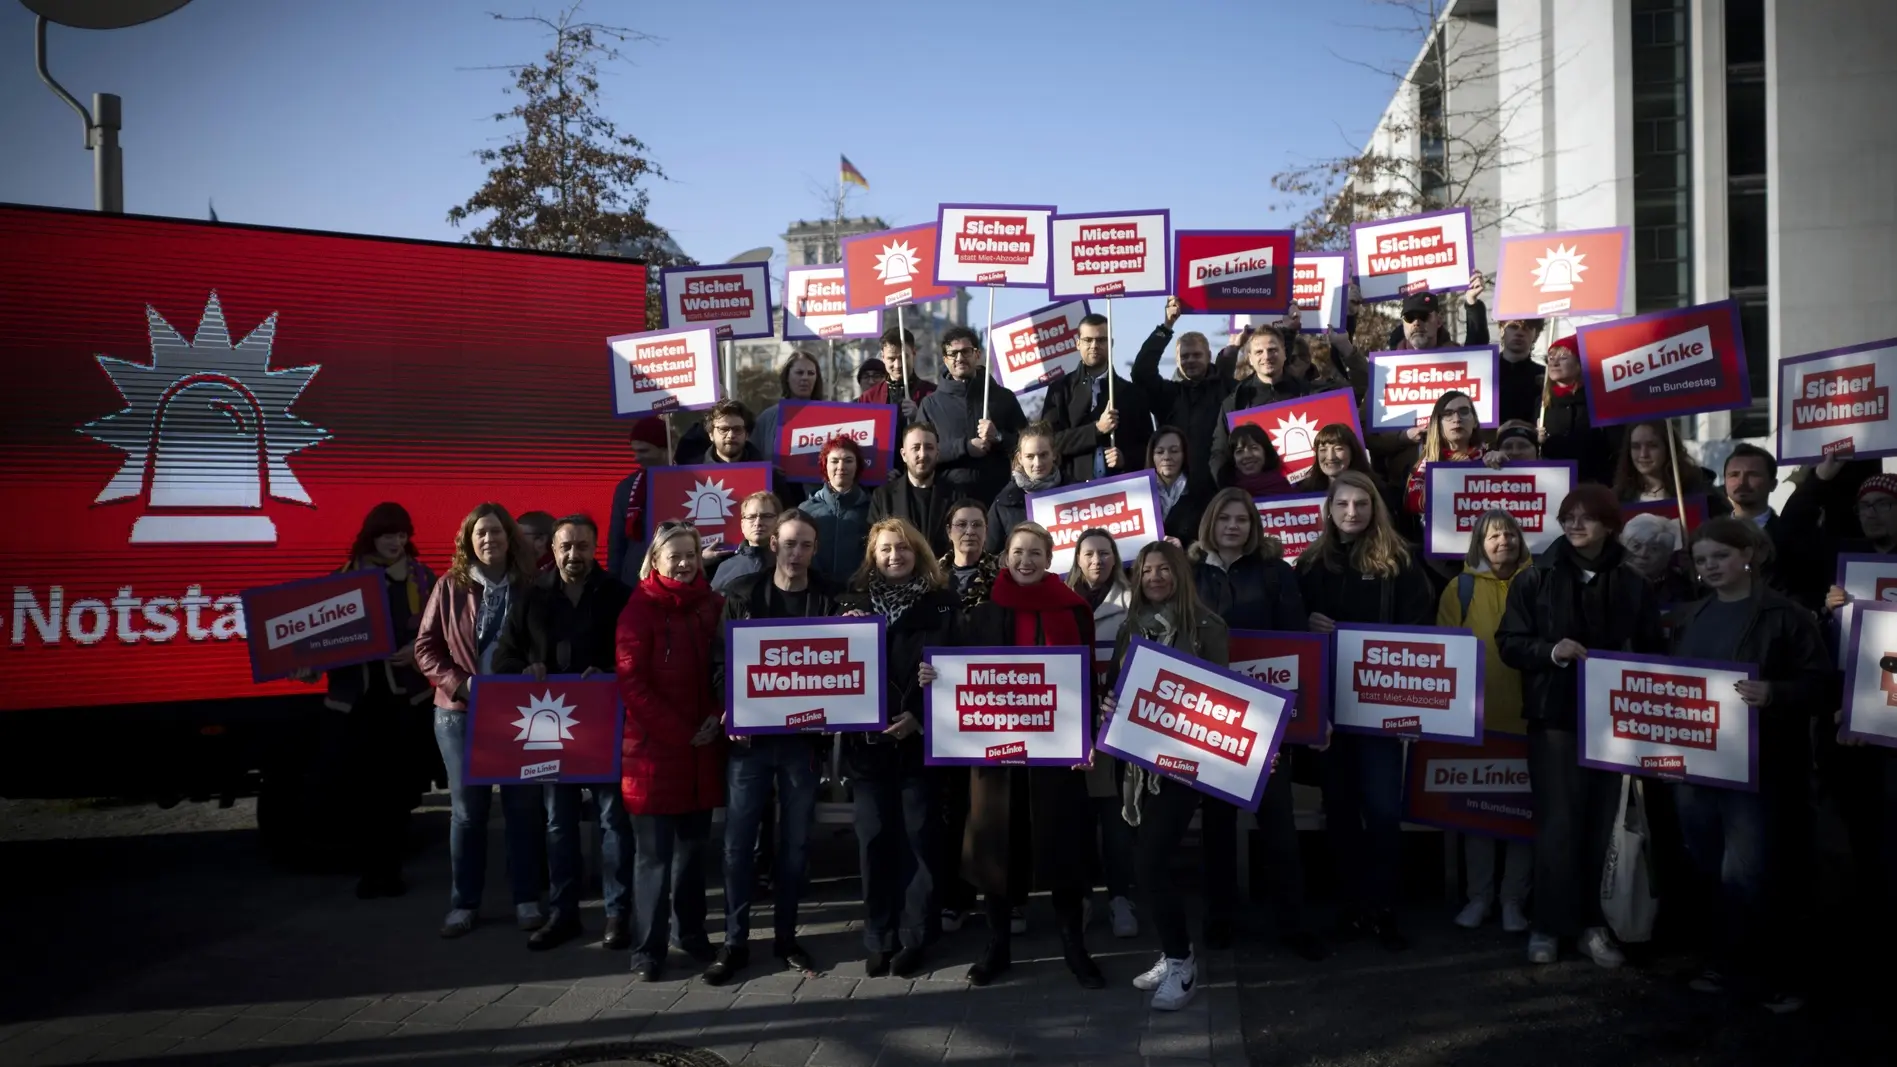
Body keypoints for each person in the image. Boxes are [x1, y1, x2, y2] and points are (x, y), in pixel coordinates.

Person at [923, 522, 1103, 988]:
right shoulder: (984, 612)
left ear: (1049, 559)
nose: (1026, 561)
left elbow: (1086, 678)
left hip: (1056, 751)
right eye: (1018, 552)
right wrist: (934, 677)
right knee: (995, 850)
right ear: (1006, 559)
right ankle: (997, 945)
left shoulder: (1074, 609)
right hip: (995, 753)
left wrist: (1087, 738)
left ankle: (1074, 946)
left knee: (1063, 847)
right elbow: (960, 673)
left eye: (1035, 553)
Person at [1496, 484, 1665, 967]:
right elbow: (1509, 642)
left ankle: (1595, 925)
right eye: (1567, 516)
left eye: (1585, 517)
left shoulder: (1633, 583)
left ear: (1609, 525)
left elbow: (1653, 650)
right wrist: (1551, 651)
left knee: (1602, 825)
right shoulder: (1535, 577)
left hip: (1615, 721)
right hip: (1555, 717)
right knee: (1558, 824)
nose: (1573, 525)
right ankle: (1548, 925)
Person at [1670, 517, 1829, 1014]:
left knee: (1756, 873)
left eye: (1720, 555)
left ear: (1750, 555)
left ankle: (1777, 977)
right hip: (1699, 766)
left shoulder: (1787, 615)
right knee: (1710, 868)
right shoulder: (1692, 615)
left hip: (1763, 768)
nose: (1711, 566)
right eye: (1701, 559)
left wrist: (1776, 693)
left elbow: (1823, 687)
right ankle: (1725, 965)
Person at [1297, 471, 1435, 950]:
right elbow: (1288, 629)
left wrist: (1411, 707)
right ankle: (1350, 907)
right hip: (1329, 710)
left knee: (1381, 811)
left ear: (1375, 506)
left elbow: (1421, 634)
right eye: (1342, 504)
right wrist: (1305, 623)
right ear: (1329, 510)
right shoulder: (1311, 563)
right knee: (1338, 810)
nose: (1351, 512)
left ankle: (1382, 908)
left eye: (1360, 503)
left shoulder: (1401, 561)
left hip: (1381, 711)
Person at [702, 510, 838, 984]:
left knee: (795, 845)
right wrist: (731, 706)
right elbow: (720, 662)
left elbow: (846, 662)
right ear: (773, 544)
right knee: (737, 845)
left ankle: (786, 938)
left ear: (815, 549)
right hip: (752, 743)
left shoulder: (830, 599)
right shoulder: (742, 594)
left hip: (803, 743)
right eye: (789, 543)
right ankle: (734, 942)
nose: (796, 553)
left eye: (805, 544)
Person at [489, 514, 635, 951]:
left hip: (603, 723)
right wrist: (524, 668)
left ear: (596, 548)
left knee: (613, 821)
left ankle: (618, 913)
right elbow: (502, 658)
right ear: (552, 549)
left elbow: (638, 656)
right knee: (558, 823)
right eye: (566, 546)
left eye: (583, 546)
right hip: (549, 728)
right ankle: (564, 913)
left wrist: (609, 671)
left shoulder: (618, 595)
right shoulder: (531, 595)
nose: (574, 554)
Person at [1189, 487, 1321, 959]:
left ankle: (1294, 924)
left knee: (1278, 823)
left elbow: (1297, 646)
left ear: (1253, 526)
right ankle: (1220, 918)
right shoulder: (1190, 573)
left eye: (1241, 519)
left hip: (1266, 721)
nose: (1232, 526)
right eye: (1224, 518)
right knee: (1218, 825)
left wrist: (1306, 719)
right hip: (1209, 718)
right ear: (1211, 522)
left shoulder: (1275, 572)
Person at [1105, 540, 1232, 1011]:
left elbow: (1223, 701)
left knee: (1150, 861)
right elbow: (1116, 687)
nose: (1155, 577)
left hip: (1182, 766)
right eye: (1146, 571)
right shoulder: (1130, 626)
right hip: (1136, 765)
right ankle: (1172, 949)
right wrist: (1111, 702)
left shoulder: (1207, 627)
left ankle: (1182, 963)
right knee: (1146, 858)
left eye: (1164, 569)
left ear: (1180, 573)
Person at [415, 503, 546, 939]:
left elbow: (543, 642)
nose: (490, 539)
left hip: (516, 713)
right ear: (468, 542)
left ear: (510, 538)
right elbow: (426, 648)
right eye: (481, 533)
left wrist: (537, 665)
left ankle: (526, 898)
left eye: (496, 531)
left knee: (522, 809)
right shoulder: (449, 586)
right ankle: (464, 904)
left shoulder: (529, 586)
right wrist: (460, 684)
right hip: (460, 714)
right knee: (469, 814)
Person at [838, 518, 959, 977]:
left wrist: (920, 718)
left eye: (904, 548)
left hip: (918, 743)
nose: (895, 556)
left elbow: (959, 672)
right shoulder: (850, 605)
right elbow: (829, 671)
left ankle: (916, 936)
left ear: (919, 553)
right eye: (886, 549)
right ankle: (879, 936)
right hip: (867, 748)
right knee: (873, 841)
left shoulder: (943, 605)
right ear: (873, 556)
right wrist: (838, 633)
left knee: (919, 841)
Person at [301, 502, 436, 900]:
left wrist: (417, 651)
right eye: (388, 535)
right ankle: (371, 870)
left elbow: (445, 631)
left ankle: (388, 871)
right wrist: (306, 664)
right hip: (354, 705)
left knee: (396, 792)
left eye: (402, 535)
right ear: (371, 537)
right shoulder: (340, 581)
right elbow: (318, 642)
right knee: (358, 791)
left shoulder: (423, 579)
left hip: (403, 703)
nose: (396, 542)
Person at [615, 521, 726, 981]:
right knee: (653, 859)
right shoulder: (637, 610)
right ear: (656, 560)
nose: (683, 563)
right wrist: (683, 733)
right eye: (674, 556)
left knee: (693, 854)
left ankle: (692, 933)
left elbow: (729, 668)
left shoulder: (714, 606)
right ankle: (648, 948)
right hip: (654, 754)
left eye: (690, 555)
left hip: (701, 750)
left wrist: (717, 716)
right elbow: (633, 686)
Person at [1438, 509, 1535, 934]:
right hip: (1476, 720)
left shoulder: (1539, 582)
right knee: (1477, 815)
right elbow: (1444, 654)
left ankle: (1514, 900)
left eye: (1510, 534)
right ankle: (1479, 897)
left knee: (1522, 816)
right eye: (1493, 535)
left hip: (1529, 717)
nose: (1503, 542)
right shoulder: (1458, 589)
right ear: (1479, 543)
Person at [1067, 530, 1139, 939]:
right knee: (1074, 819)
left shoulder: (1133, 603)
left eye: (1105, 553)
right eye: (1089, 554)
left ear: (1116, 558)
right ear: (1077, 559)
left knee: (1116, 818)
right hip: (1069, 727)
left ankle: (1119, 897)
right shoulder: (1060, 600)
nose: (1097, 561)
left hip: (1116, 728)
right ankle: (1079, 897)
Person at [934, 499, 997, 933]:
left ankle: (999, 897)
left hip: (993, 704)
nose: (969, 532)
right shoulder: (930, 577)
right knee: (952, 806)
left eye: (977, 524)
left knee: (991, 808)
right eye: (962, 524)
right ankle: (955, 898)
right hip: (942, 707)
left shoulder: (1003, 577)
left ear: (987, 532)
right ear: (949, 531)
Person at [1365, 287, 1493, 486]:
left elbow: (1484, 417)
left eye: (1424, 317)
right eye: (1410, 318)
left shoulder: (1462, 360)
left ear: (1439, 321)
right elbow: (1367, 434)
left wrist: (1472, 305)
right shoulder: (1385, 370)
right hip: (1402, 483)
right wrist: (1403, 437)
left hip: (1458, 478)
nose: (1417, 323)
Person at [1132, 296, 1236, 486]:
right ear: (1177, 360)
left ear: (1208, 356)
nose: (1190, 360)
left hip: (1220, 487)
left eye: (1196, 355)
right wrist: (1166, 326)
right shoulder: (1167, 394)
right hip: (1178, 490)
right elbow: (1141, 372)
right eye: (1185, 356)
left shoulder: (1228, 389)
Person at [918, 326, 1028, 501]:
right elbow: (921, 454)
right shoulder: (930, 405)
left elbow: (1027, 445)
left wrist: (998, 437)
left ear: (977, 354)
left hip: (999, 499)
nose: (960, 358)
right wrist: (965, 447)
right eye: (953, 354)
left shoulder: (1003, 397)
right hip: (949, 499)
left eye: (966, 351)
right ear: (945, 360)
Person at [1043, 312, 1153, 484]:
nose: (1094, 345)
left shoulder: (1132, 393)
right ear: (1078, 343)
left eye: (1101, 340)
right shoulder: (1059, 390)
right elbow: (1049, 443)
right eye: (1088, 340)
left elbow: (1150, 447)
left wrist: (1126, 458)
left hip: (1121, 489)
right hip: (1070, 489)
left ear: (1111, 343)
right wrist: (1096, 429)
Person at [1721, 443, 1821, 608]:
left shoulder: (1793, 535)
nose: (1742, 482)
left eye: (1753, 475)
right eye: (1734, 475)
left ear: (1773, 484)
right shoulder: (1708, 534)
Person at [1209, 326, 1308, 483]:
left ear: (1284, 353)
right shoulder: (1236, 401)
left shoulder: (1308, 393)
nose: (1266, 356)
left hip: (1305, 490)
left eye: (1272, 350)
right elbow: (1220, 453)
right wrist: (1230, 489)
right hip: (1253, 493)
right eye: (1259, 352)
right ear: (1250, 358)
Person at [1403, 390, 1501, 519]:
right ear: (1438, 424)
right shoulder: (1426, 464)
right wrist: (1448, 476)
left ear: (1475, 422)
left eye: (1464, 411)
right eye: (1448, 414)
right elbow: (1414, 504)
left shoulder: (1490, 457)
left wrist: (1504, 466)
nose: (1457, 419)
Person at [1536, 337, 1617, 487]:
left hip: (1594, 483)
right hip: (1553, 483)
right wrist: (1535, 440)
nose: (1554, 363)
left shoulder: (1598, 399)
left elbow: (1615, 444)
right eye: (1551, 358)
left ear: (1580, 363)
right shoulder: (1542, 403)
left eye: (1563, 358)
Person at [870, 422, 955, 557]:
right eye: (916, 448)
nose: (923, 454)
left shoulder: (956, 495)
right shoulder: (883, 496)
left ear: (937, 454)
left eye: (929, 447)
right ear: (903, 454)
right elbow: (874, 546)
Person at [608, 417, 671, 587]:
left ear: (664, 449)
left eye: (644, 451)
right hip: (635, 581)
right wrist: (614, 584)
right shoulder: (627, 487)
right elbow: (617, 542)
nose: (636, 458)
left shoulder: (690, 481)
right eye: (634, 451)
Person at [800, 436, 874, 581]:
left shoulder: (872, 508)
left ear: (857, 466)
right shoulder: (806, 510)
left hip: (857, 588)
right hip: (815, 588)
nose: (841, 467)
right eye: (834, 461)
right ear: (825, 465)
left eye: (848, 461)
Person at [985, 421, 1064, 555]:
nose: (1037, 463)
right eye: (1030, 456)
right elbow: (990, 553)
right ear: (1020, 458)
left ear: (1054, 454)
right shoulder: (1004, 503)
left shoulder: (1077, 492)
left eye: (1043, 455)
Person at [1613, 421, 1721, 512]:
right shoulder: (1617, 499)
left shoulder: (1699, 491)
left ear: (1668, 448)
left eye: (1652, 446)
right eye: (1636, 447)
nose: (1643, 454)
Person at [1620, 513, 1696, 630]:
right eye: (1636, 546)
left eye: (1654, 549)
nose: (1643, 554)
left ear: (1667, 554)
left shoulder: (1684, 591)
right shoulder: (1606, 585)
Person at [752, 350, 826, 466]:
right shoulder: (767, 418)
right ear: (787, 376)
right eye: (799, 373)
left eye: (811, 373)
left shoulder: (829, 416)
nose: (805, 378)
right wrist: (769, 469)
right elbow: (752, 460)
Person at [1149, 426, 1213, 548]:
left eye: (1174, 451)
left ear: (1184, 454)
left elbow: (1210, 538)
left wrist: (1185, 548)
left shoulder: (1202, 492)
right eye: (1160, 452)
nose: (1167, 457)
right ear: (1152, 456)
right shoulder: (1140, 492)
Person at [710, 491, 779, 595]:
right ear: (742, 525)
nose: (758, 523)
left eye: (766, 516)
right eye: (751, 517)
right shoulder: (726, 568)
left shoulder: (790, 564)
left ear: (779, 522)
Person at [1302, 423, 1380, 496]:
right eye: (1323, 450)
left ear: (1353, 451)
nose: (1330, 457)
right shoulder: (1305, 491)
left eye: (1338, 449)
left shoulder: (1374, 489)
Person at [1219, 423, 1295, 497]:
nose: (1247, 456)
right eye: (1239, 451)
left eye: (1253, 448)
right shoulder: (1227, 495)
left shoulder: (1285, 488)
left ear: (1265, 452)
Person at [1495, 318, 1547, 426]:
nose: (1519, 333)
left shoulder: (1546, 376)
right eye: (1513, 327)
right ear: (1501, 330)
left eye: (1527, 328)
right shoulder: (1486, 371)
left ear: (1536, 335)